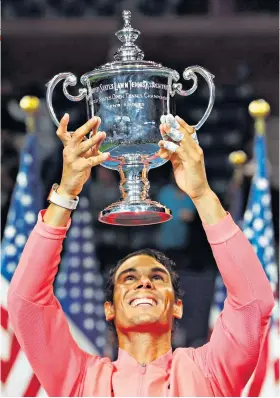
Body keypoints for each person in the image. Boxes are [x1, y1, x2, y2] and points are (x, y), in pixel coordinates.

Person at [7, 114, 274, 397]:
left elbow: (253, 302)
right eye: (129, 277)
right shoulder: (82, 380)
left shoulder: (208, 373)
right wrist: (66, 194)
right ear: (109, 309)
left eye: (158, 277)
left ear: (177, 307)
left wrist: (201, 193)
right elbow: (25, 303)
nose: (144, 283)